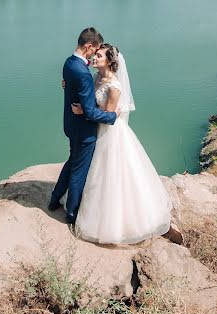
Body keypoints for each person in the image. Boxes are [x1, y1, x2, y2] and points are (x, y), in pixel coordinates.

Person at [72, 44, 173, 245]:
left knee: (109, 174)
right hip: (97, 129)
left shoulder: (114, 86)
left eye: (98, 56)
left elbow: (106, 116)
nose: (94, 58)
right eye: (95, 54)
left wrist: (83, 111)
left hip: (109, 132)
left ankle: (113, 222)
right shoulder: (96, 78)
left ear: (109, 61)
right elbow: (91, 100)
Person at [48, 28, 119, 225]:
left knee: (71, 163)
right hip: (84, 131)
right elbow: (89, 112)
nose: (93, 56)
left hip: (71, 126)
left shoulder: (69, 63)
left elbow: (73, 88)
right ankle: (71, 214)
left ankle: (54, 200)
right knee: (79, 171)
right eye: (94, 51)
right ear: (88, 46)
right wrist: (113, 116)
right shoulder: (84, 74)